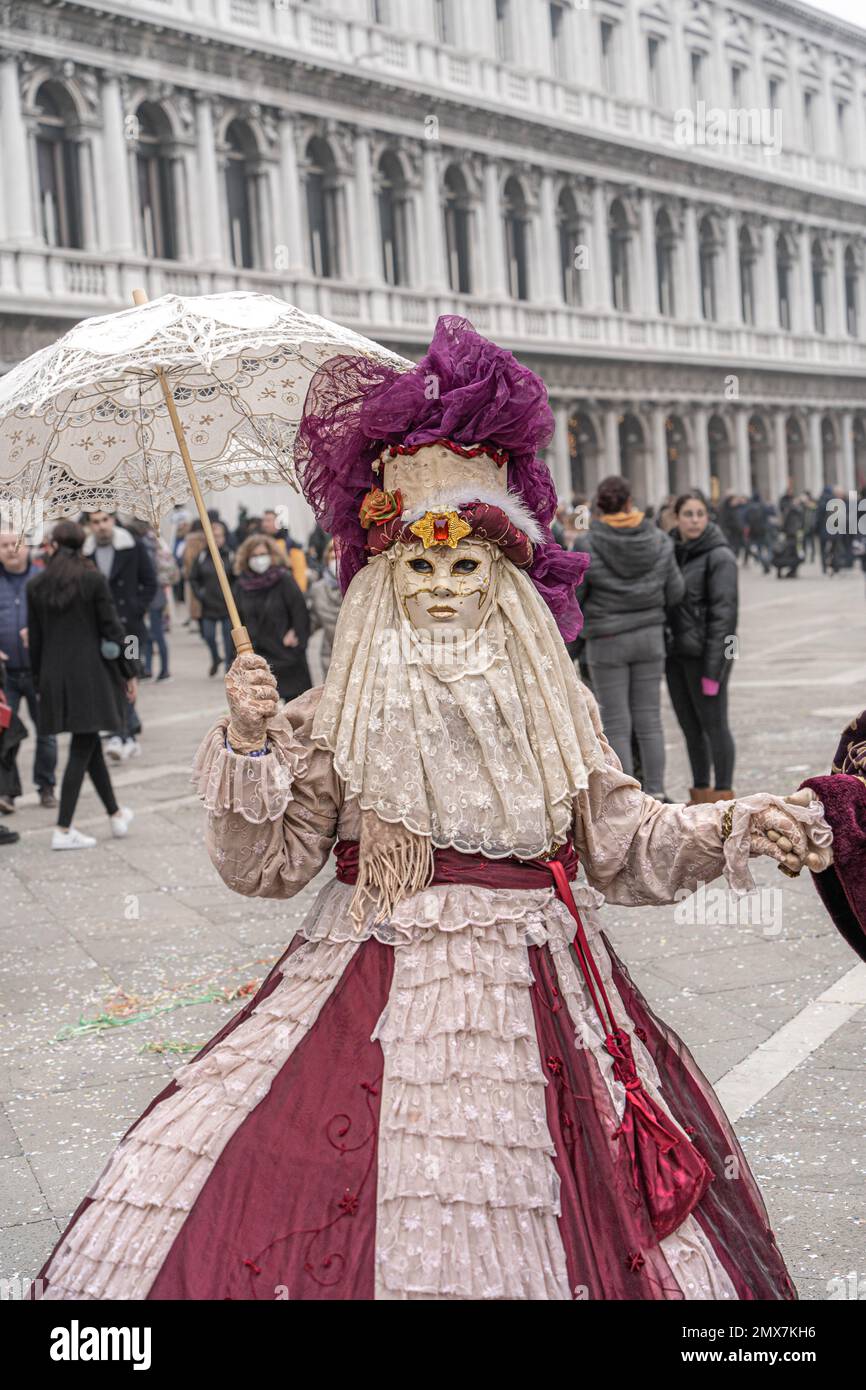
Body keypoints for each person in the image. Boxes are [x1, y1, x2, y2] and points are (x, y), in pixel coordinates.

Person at [35, 316, 832, 1302]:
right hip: (364, 986)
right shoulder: (336, 711)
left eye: (465, 568)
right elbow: (266, 867)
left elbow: (627, 849)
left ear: (504, 582)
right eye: (418, 567)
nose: (443, 587)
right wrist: (250, 742)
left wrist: (740, 821)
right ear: (381, 583)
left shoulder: (555, 709)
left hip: (540, 999)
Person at [573, 475, 684, 800]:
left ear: (600, 505)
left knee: (616, 722)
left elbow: (577, 597)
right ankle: (658, 791)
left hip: (607, 641)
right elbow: (676, 591)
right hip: (650, 637)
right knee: (650, 719)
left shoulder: (588, 543)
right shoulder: (660, 539)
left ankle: (626, 797)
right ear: (628, 502)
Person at [27, 521, 135, 851]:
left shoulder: (37, 585)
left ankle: (116, 815)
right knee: (81, 748)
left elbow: (36, 640)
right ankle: (63, 828)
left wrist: (38, 681)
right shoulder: (92, 579)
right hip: (91, 675)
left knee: (87, 744)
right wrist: (130, 670)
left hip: (53, 674)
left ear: (54, 546)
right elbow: (115, 631)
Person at [665, 491, 738, 804]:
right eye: (688, 514)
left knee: (715, 726)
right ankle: (700, 794)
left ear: (707, 517)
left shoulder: (720, 557)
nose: (694, 520)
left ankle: (723, 796)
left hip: (707, 657)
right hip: (676, 655)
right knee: (690, 728)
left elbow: (725, 617)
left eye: (699, 514)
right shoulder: (669, 551)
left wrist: (714, 669)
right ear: (677, 517)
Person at [83, 511, 156, 761]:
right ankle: (123, 731)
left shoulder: (131, 546)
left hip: (131, 630)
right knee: (110, 681)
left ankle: (123, 731)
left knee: (131, 675)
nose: (102, 526)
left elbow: (150, 581)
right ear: (89, 525)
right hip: (101, 632)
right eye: (96, 521)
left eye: (105, 519)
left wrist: (137, 607)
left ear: (112, 520)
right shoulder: (86, 553)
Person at [0, 531, 58, 808]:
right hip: (5, 674)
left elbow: (60, 619)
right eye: (5, 545)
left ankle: (46, 785)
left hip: (39, 670)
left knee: (46, 731)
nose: (12, 549)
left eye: (16, 544)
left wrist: (40, 634)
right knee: (5, 734)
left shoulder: (43, 578)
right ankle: (7, 790)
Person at [233, 533, 312, 702]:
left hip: (286, 653)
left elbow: (300, 611)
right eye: (254, 556)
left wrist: (297, 634)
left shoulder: (283, 579)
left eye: (262, 554)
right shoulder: (241, 586)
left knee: (297, 709)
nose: (259, 559)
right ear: (246, 559)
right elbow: (236, 621)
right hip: (258, 657)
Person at [190, 522, 234, 676]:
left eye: (219, 536)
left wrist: (233, 596)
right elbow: (193, 578)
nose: (216, 540)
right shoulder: (202, 556)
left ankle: (229, 665)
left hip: (227, 606)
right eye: (213, 536)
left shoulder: (231, 555)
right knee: (208, 636)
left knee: (228, 639)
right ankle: (216, 658)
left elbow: (237, 578)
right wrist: (200, 594)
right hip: (208, 605)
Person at [307, 537, 342, 678]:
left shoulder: (358, 584)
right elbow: (311, 622)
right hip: (331, 656)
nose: (336, 562)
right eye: (332, 558)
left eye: (339, 557)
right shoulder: (318, 590)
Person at [261, 508, 308, 593]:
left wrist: (299, 593)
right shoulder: (260, 544)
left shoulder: (291, 545)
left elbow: (299, 573)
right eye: (263, 521)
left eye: (268, 521)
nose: (265, 524)